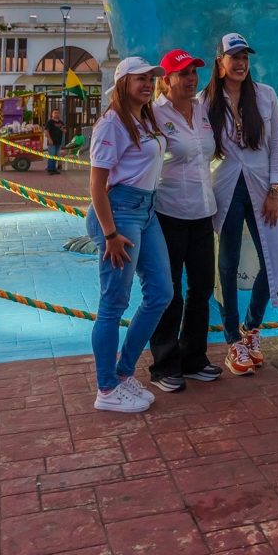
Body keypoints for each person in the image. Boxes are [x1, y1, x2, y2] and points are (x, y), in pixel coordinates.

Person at [86, 56, 173, 413]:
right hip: (119, 214)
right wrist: (109, 234)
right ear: (122, 83)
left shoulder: (144, 117)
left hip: (146, 211)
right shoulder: (111, 124)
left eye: (151, 79)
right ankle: (106, 389)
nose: (148, 84)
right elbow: (96, 184)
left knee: (161, 294)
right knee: (113, 304)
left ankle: (122, 374)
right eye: (140, 79)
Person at [203, 33, 278, 376]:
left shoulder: (265, 96)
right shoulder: (206, 100)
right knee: (226, 268)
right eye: (233, 56)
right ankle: (232, 342)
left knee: (273, 264)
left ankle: (251, 328)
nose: (240, 63)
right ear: (220, 63)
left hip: (261, 190)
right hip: (225, 190)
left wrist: (274, 192)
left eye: (245, 57)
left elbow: (277, 147)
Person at [148, 49, 221, 392]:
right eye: (183, 73)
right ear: (166, 80)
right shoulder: (153, 114)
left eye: (194, 72)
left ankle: (193, 358)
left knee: (203, 287)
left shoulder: (202, 108)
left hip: (202, 212)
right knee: (169, 291)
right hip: (168, 212)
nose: (191, 79)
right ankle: (164, 364)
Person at [45, 109, 66, 175]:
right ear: (52, 114)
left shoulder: (61, 123)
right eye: (55, 113)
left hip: (58, 142)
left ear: (59, 114)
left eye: (57, 113)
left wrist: (63, 130)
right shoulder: (50, 122)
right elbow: (46, 131)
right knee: (52, 156)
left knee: (56, 156)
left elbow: (65, 131)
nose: (56, 114)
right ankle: (50, 169)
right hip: (52, 142)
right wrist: (50, 140)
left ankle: (54, 169)